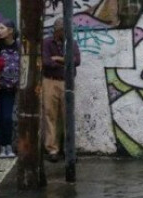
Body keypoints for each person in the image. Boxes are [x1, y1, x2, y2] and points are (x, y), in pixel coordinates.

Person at [42, 18, 80, 162]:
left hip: (67, 82)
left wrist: (58, 58)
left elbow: (76, 61)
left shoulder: (71, 43)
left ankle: (68, 149)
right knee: (50, 115)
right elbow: (46, 62)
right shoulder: (46, 43)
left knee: (67, 116)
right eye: (61, 30)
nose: (63, 33)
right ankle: (52, 149)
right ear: (56, 30)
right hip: (50, 81)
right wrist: (66, 61)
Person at [0, 20, 19, 158]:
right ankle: (2, 146)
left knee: (7, 117)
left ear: (10, 30)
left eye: (2, 28)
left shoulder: (19, 46)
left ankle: (8, 144)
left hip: (12, 88)